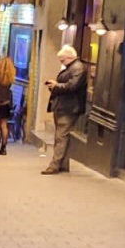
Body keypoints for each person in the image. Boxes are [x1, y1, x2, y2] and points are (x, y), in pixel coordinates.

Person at [43, 46, 89, 175]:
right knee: (63, 136)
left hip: (69, 107)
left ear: (69, 57)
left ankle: (55, 165)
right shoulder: (73, 68)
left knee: (61, 136)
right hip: (64, 106)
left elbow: (72, 86)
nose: (61, 62)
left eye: (62, 60)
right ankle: (62, 164)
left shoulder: (77, 68)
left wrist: (56, 85)